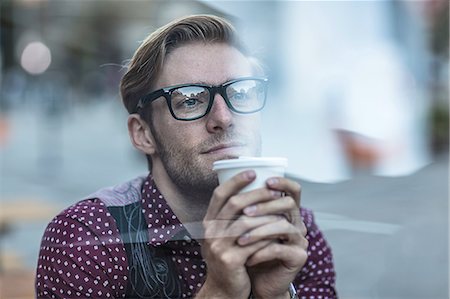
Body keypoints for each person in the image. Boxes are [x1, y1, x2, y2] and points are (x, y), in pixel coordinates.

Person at [36, 15, 337, 299]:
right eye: (190, 99)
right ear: (143, 134)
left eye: (241, 93)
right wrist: (218, 292)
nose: (224, 117)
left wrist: (276, 295)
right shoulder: (87, 239)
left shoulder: (294, 231)